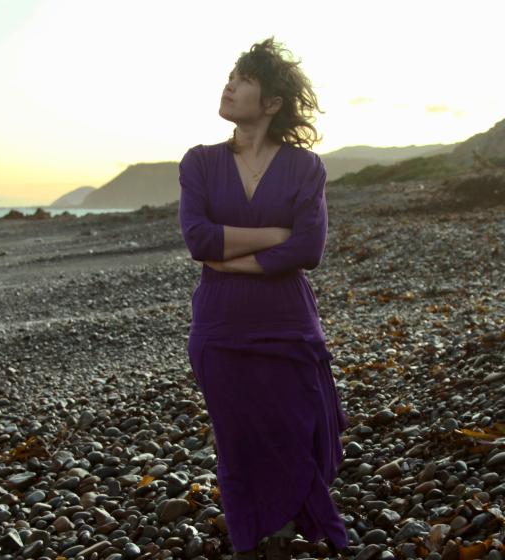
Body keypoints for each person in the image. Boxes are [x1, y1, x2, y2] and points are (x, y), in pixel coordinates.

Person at [178, 36, 351, 560]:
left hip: (287, 321)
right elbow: (199, 241)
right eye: (230, 76)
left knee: (299, 428)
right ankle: (255, 537)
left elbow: (311, 248)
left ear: (272, 103)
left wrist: (235, 255)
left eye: (243, 79)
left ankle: (285, 523)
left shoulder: (304, 167)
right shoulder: (200, 162)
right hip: (221, 324)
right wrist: (275, 238)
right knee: (239, 440)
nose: (229, 85)